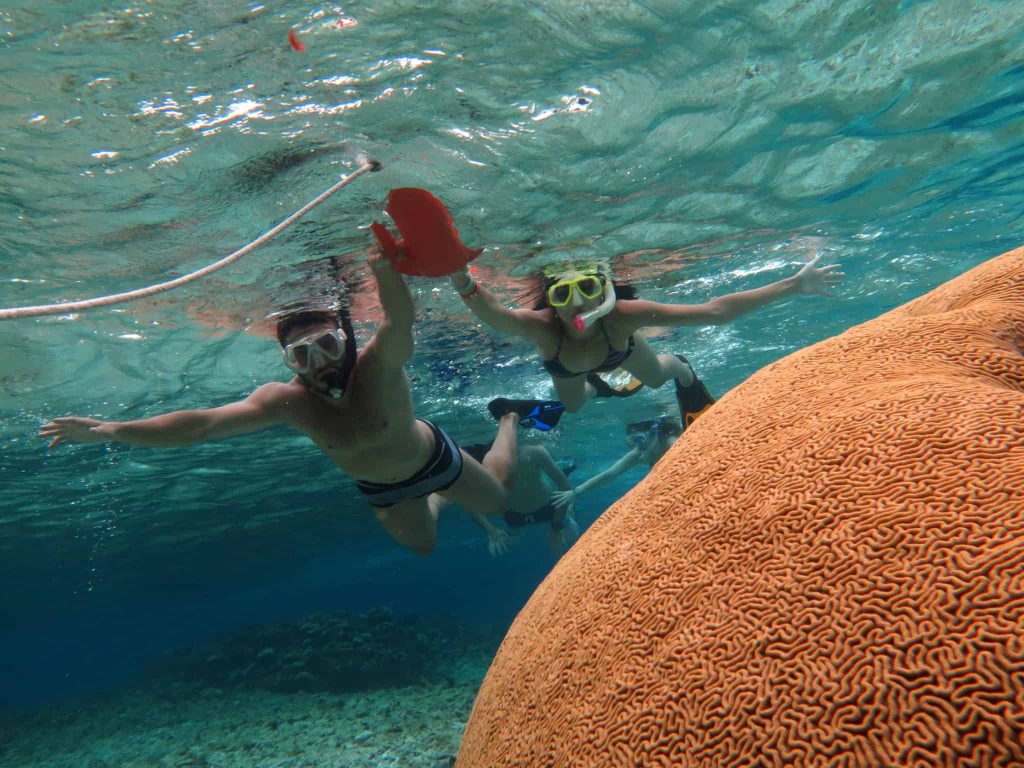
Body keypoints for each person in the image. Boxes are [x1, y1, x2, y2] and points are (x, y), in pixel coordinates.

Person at [38, 247, 520, 557]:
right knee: (424, 547)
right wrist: (111, 430)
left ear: (348, 340)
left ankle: (510, 420)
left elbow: (398, 321)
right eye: (301, 355)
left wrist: (383, 269)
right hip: (381, 488)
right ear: (288, 362)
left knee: (497, 502)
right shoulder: (286, 402)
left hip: (432, 457)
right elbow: (201, 426)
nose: (318, 364)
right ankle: (432, 500)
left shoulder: (378, 366)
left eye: (327, 346)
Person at [447, 247, 843, 414]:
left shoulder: (623, 315)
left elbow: (715, 311)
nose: (577, 304)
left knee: (655, 380)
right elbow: (496, 315)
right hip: (567, 367)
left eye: (587, 288)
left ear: (604, 288)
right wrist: (461, 277)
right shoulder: (544, 328)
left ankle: (682, 367)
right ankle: (600, 386)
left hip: (620, 349)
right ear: (551, 299)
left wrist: (794, 284)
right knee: (573, 406)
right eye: (563, 293)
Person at [454, 441, 580, 556]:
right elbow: (470, 506)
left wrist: (556, 527)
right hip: (514, 516)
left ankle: (568, 514)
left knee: (569, 546)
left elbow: (566, 488)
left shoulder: (533, 452)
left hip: (549, 507)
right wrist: (492, 531)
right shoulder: (484, 467)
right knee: (503, 547)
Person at [550, 414, 681, 514]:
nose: (637, 445)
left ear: (654, 432)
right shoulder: (640, 453)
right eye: (632, 441)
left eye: (639, 439)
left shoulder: (671, 442)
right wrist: (576, 492)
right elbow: (610, 474)